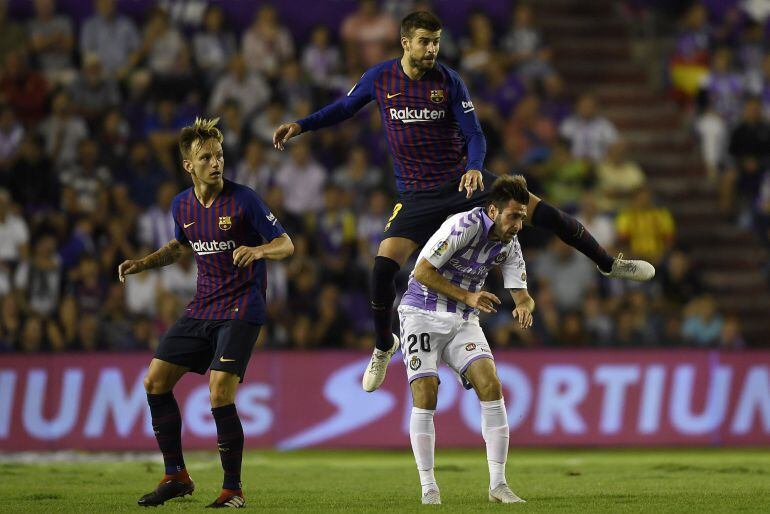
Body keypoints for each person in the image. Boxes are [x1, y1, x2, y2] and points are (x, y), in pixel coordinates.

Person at [272, 11, 654, 393]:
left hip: (464, 184)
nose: (431, 49)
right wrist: (301, 125)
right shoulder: (380, 78)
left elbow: (475, 134)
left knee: (545, 213)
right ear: (405, 42)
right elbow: (342, 108)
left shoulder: (449, 82)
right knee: (382, 269)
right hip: (417, 196)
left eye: (435, 41)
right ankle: (383, 345)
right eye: (424, 41)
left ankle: (607, 263)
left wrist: (474, 167)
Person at [118, 118, 294, 508]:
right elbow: (180, 246)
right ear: (188, 166)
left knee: (218, 391)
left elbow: (286, 244)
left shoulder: (244, 199)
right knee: (155, 382)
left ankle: (233, 490)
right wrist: (144, 263)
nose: (216, 163)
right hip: (202, 306)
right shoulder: (181, 204)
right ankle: (176, 476)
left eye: (219, 155)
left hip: (242, 306)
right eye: (206, 157)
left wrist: (260, 251)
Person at [398, 175, 532, 504]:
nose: (517, 224)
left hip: (462, 320)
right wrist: (468, 296)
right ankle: (429, 487)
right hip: (421, 314)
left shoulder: (510, 245)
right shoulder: (463, 225)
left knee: (491, 385)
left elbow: (523, 294)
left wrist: (524, 306)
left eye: (522, 217)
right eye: (513, 216)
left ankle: (498, 485)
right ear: (493, 211)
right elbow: (422, 271)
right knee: (426, 395)